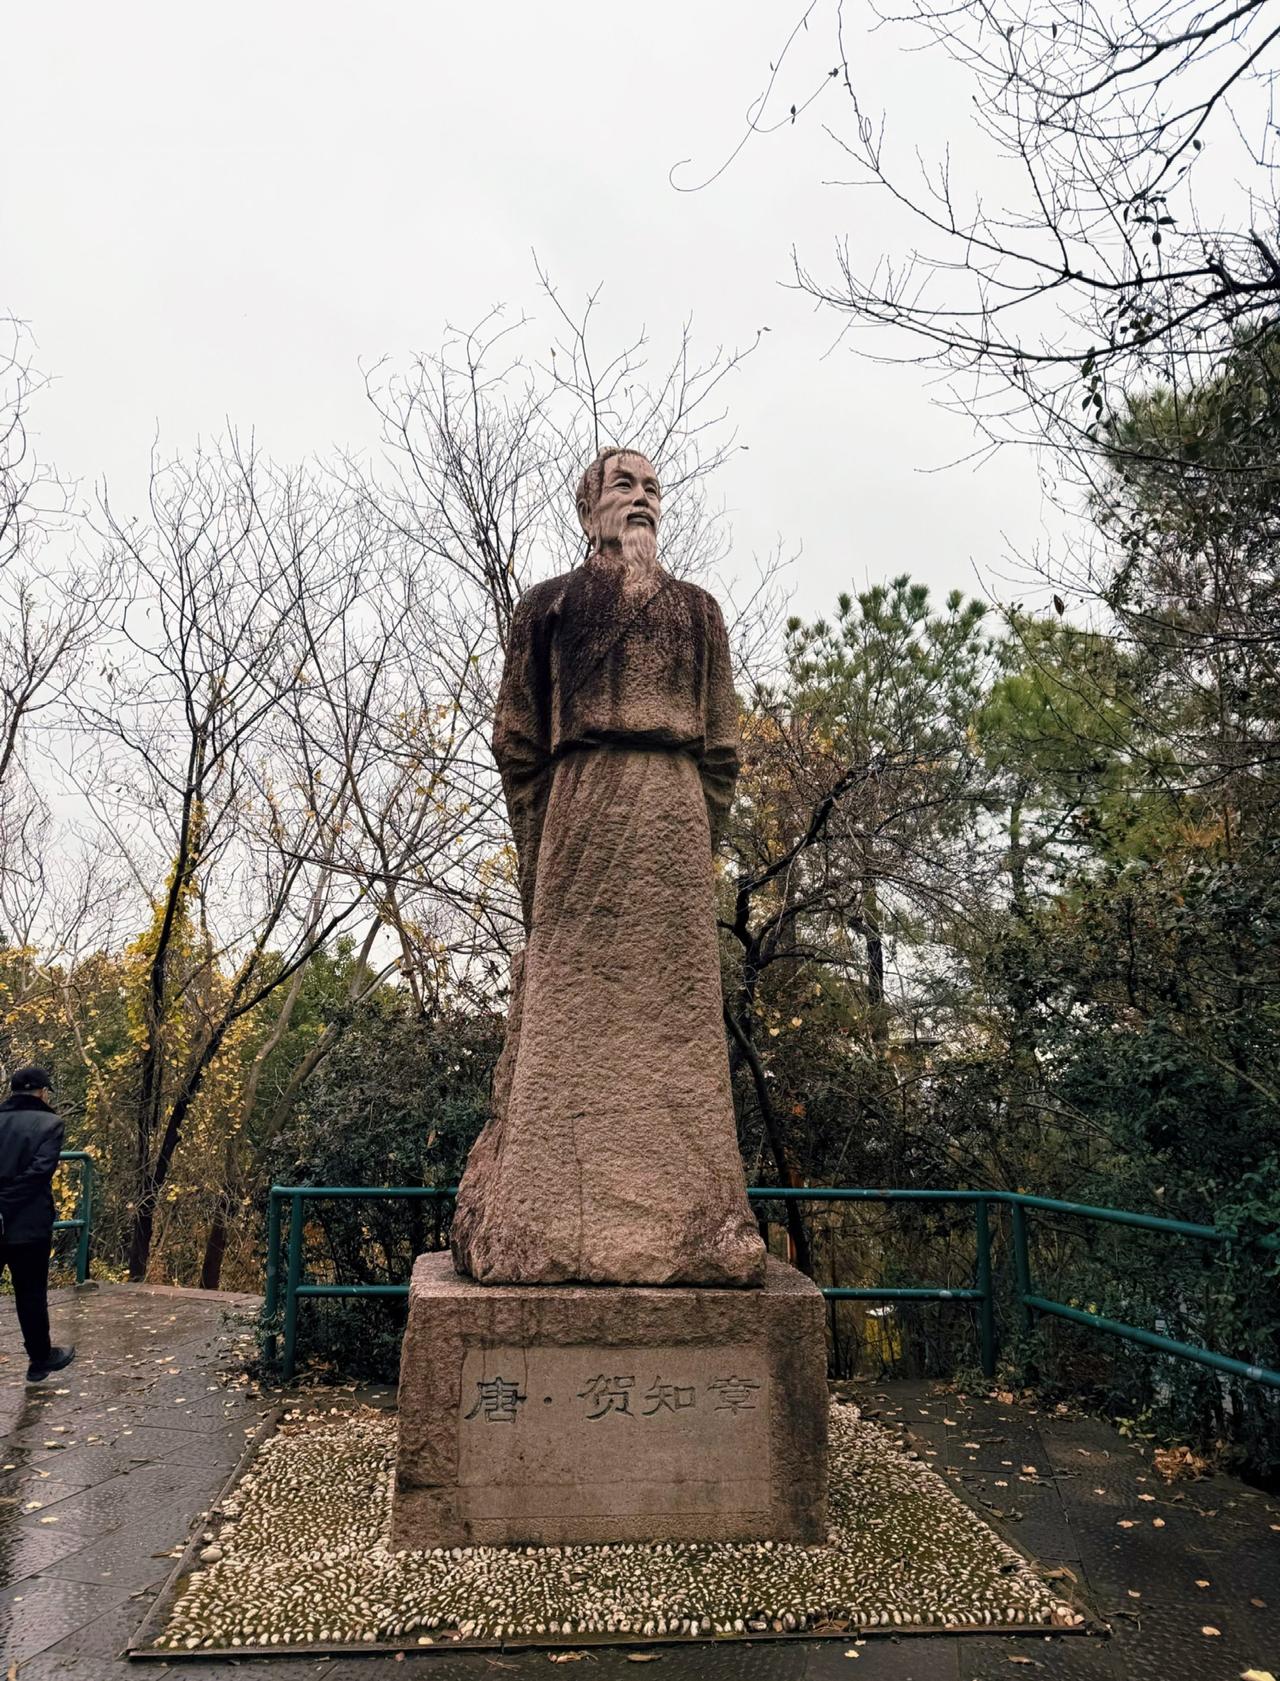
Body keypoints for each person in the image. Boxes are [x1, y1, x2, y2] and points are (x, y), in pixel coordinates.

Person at [0, 1065, 75, 1382]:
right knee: (30, 1293)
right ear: (43, 1092)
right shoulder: (50, 1123)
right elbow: (39, 1173)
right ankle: (39, 1359)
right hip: (29, 1226)